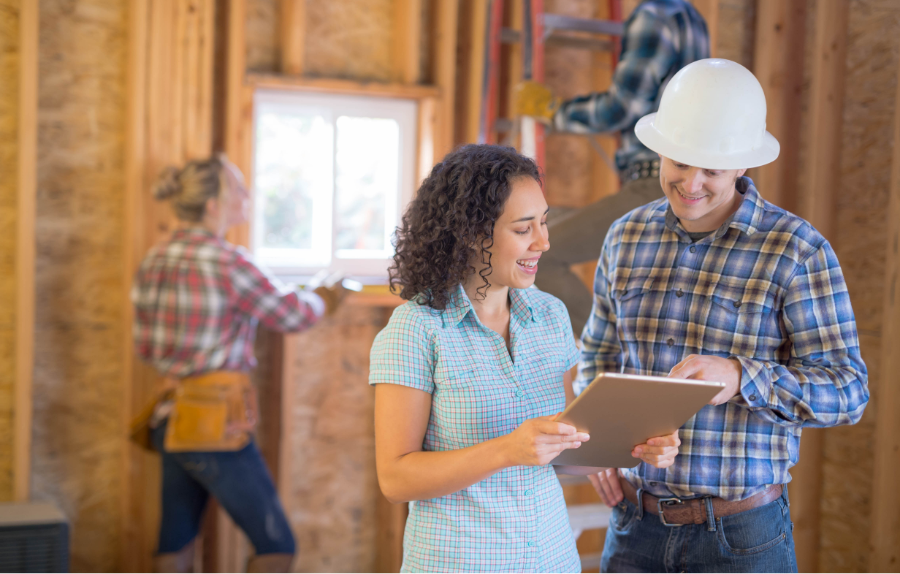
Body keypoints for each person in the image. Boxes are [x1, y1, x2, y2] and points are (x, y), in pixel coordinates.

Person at [577, 58, 870, 572]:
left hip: (743, 539)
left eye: (712, 170)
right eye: (680, 162)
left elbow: (848, 392)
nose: (691, 183)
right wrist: (599, 444)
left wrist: (741, 376)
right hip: (633, 529)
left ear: (743, 165)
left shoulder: (796, 250)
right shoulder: (625, 237)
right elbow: (597, 355)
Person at [368, 144, 681, 573]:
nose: (544, 241)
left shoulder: (549, 314)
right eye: (523, 229)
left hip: (551, 558)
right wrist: (506, 450)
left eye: (545, 222)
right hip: (458, 562)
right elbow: (396, 479)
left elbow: (566, 449)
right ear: (473, 233)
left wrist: (635, 446)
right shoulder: (416, 329)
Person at [132, 154, 344, 573]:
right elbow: (293, 314)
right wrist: (327, 295)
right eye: (239, 189)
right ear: (214, 205)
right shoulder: (229, 262)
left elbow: (145, 348)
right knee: (276, 544)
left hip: (170, 415)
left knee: (175, 542)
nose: (247, 196)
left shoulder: (154, 259)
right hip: (213, 424)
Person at [516, 0, 709, 334]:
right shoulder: (691, 18)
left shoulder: (653, 15)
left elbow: (623, 106)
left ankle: (608, 346)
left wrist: (554, 111)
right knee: (548, 223)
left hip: (656, 184)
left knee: (536, 252)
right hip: (671, 185)